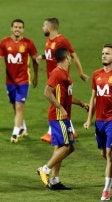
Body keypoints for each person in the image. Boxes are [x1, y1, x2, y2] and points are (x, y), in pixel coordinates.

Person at [37, 47, 88, 190]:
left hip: (63, 116)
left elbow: (67, 97)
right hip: (58, 116)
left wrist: (81, 104)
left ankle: (54, 180)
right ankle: (45, 169)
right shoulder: (57, 72)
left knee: (67, 147)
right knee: (66, 146)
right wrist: (60, 108)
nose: (71, 58)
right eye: (70, 56)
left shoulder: (64, 74)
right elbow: (47, 92)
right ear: (66, 57)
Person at [36, 18, 89, 143]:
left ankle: (52, 132)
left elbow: (73, 56)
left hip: (60, 77)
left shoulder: (62, 41)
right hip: (52, 77)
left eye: (44, 25)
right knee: (60, 101)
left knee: (56, 101)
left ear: (50, 27)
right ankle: (69, 130)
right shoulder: (48, 41)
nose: (42, 28)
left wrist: (81, 73)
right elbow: (52, 55)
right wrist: (42, 57)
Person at [0, 19, 38, 143]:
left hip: (23, 81)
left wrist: (35, 77)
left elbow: (35, 61)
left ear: (23, 29)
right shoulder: (4, 42)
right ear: (11, 28)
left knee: (19, 107)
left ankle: (15, 133)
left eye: (20, 27)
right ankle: (23, 127)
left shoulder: (28, 43)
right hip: (10, 81)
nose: (17, 29)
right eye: (15, 27)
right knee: (15, 106)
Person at [83, 44, 112, 201]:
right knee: (104, 154)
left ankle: (106, 191)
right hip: (99, 122)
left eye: (107, 53)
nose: (104, 56)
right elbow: (93, 98)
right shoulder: (96, 74)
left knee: (109, 153)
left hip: (111, 121)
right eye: (102, 53)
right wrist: (89, 120)